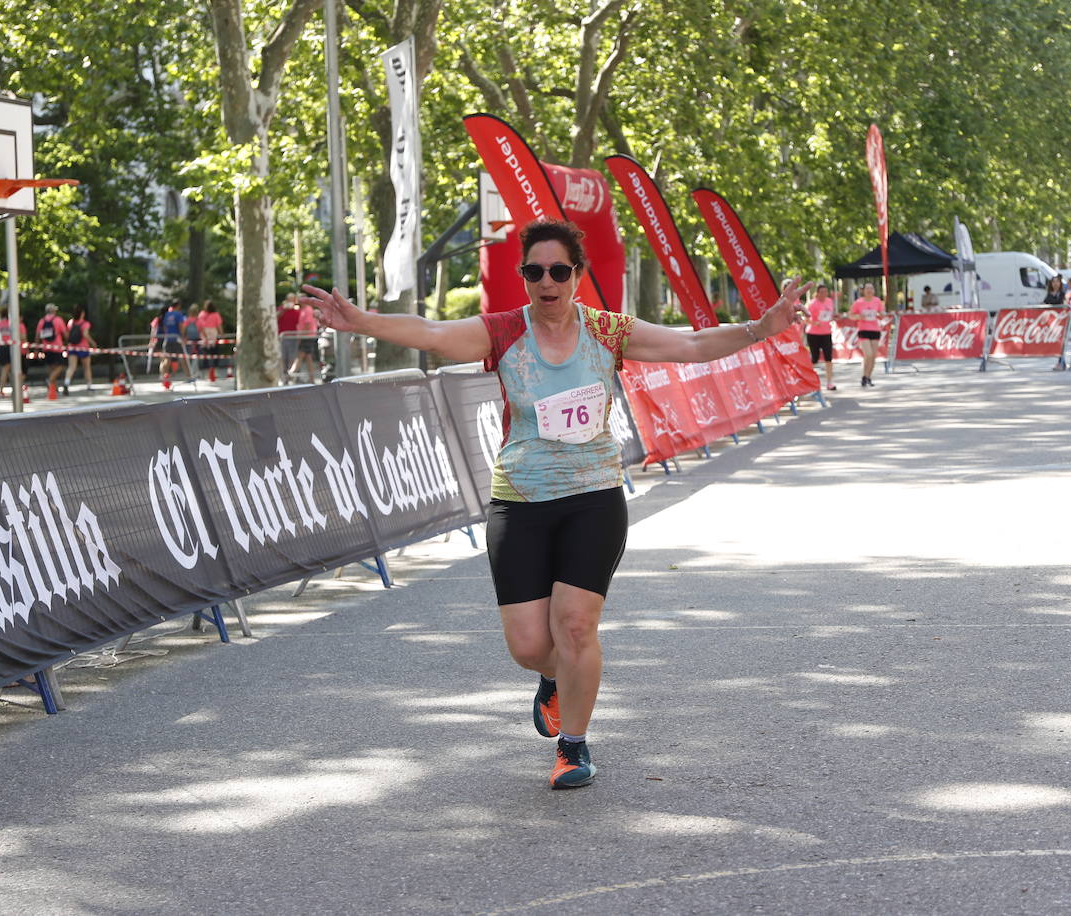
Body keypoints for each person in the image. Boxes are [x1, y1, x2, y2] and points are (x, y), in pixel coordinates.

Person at [300, 219, 810, 789]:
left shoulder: (609, 332)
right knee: (528, 646)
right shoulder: (501, 332)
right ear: (523, 277)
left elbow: (689, 344)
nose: (547, 282)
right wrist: (360, 322)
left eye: (559, 271)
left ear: (578, 275)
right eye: (534, 271)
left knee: (574, 626)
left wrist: (761, 328)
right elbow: (431, 333)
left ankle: (574, 745)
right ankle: (556, 681)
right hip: (521, 500)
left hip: (594, 497)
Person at [805, 284, 837, 391]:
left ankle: (829, 382)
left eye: (825, 292)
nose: (824, 294)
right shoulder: (812, 304)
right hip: (813, 334)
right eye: (821, 292)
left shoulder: (829, 301)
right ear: (817, 293)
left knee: (828, 358)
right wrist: (814, 323)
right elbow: (805, 319)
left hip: (826, 333)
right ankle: (809, 382)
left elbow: (830, 315)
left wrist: (834, 317)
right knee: (814, 358)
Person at [852, 282, 885, 388]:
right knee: (868, 354)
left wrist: (880, 315)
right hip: (863, 330)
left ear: (874, 290)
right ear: (864, 290)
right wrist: (859, 316)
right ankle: (864, 375)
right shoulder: (858, 302)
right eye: (867, 288)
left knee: (873, 356)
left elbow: (882, 313)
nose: (869, 290)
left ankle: (868, 377)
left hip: (875, 330)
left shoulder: (877, 301)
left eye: (871, 288)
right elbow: (851, 315)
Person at [33, 304, 67, 396]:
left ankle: (53, 387)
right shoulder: (58, 320)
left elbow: (37, 336)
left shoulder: (41, 321)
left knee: (51, 368)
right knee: (60, 366)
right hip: (57, 347)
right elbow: (65, 333)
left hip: (46, 348)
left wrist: (36, 349)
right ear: (53, 311)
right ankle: (50, 381)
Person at [0, 307, 26, 397]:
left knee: (5, 370)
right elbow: (22, 336)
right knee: (14, 369)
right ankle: (14, 389)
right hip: (12, 347)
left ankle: (2, 390)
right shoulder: (13, 323)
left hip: (2, 347)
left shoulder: (0, 323)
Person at [66, 305, 95, 392]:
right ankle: (89, 385)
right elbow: (85, 334)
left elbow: (68, 335)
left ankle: (66, 383)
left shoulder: (70, 323)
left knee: (71, 367)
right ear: (82, 314)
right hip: (83, 348)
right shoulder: (85, 323)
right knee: (86, 367)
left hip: (72, 347)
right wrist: (93, 343)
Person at [158, 300, 186, 386]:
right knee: (183, 358)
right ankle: (189, 376)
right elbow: (181, 326)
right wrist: (183, 336)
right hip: (176, 338)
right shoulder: (178, 314)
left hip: (167, 339)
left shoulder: (166, 315)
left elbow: (165, 327)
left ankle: (164, 377)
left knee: (167, 359)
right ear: (178, 306)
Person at [294, 296, 319, 383]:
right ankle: (311, 379)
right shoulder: (304, 309)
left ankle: (291, 374)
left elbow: (307, 325)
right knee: (308, 357)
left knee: (300, 355)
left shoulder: (307, 310)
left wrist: (301, 337)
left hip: (307, 336)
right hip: (307, 336)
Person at [198, 300, 224, 382]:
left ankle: (206, 371)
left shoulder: (201, 314)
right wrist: (222, 335)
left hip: (204, 335)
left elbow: (199, 326)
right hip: (213, 334)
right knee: (214, 354)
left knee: (206, 354)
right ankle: (212, 370)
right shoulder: (216, 315)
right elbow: (219, 326)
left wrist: (203, 335)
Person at [277, 293, 301, 382]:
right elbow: (275, 317)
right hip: (282, 337)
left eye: (293, 300)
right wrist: (283, 309)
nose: (291, 301)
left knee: (292, 357)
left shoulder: (297, 311)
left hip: (293, 337)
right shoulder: (281, 308)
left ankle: (291, 376)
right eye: (290, 299)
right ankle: (283, 377)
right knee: (283, 357)